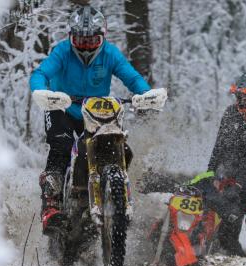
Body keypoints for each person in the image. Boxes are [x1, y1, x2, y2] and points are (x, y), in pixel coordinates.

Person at [29, 5, 166, 234]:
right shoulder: (62, 52)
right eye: (80, 40)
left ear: (102, 37)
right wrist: (41, 92)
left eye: (91, 41)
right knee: (61, 145)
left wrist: (144, 94)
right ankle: (51, 205)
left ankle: (116, 197)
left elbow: (131, 77)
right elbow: (41, 74)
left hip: (94, 111)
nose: (85, 45)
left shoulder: (110, 54)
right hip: (61, 107)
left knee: (115, 142)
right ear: (70, 37)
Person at [201, 72, 246, 262]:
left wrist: (240, 184)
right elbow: (218, 147)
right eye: (242, 97)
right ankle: (236, 262)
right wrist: (210, 174)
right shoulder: (230, 114)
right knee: (227, 230)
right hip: (228, 181)